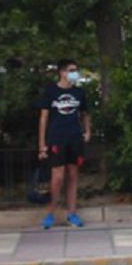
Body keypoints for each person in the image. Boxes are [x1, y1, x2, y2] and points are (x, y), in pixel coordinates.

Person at [37, 59, 90, 229]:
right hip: (56, 138)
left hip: (74, 138)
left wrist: (87, 131)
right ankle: (51, 212)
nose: (75, 73)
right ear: (62, 72)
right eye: (72, 70)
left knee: (73, 175)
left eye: (76, 70)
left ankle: (72, 213)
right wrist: (42, 144)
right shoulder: (51, 91)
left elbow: (85, 113)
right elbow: (43, 118)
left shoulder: (79, 92)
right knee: (57, 178)